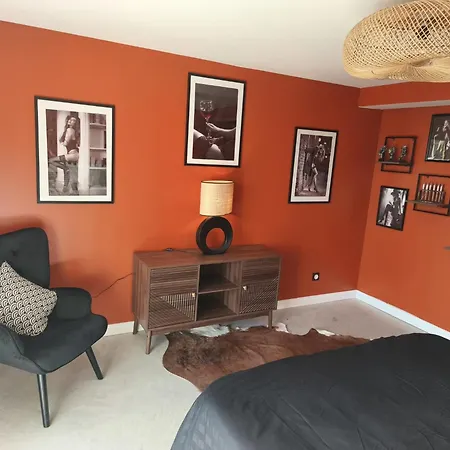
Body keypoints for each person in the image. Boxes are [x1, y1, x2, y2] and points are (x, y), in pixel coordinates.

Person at [48, 115, 80, 194]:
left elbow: (65, 143)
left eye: (73, 120)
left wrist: (62, 142)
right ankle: (66, 190)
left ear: (75, 123)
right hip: (74, 154)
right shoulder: (72, 130)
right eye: (70, 119)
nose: (71, 121)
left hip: (73, 155)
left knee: (50, 160)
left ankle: (67, 189)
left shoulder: (70, 130)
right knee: (67, 172)